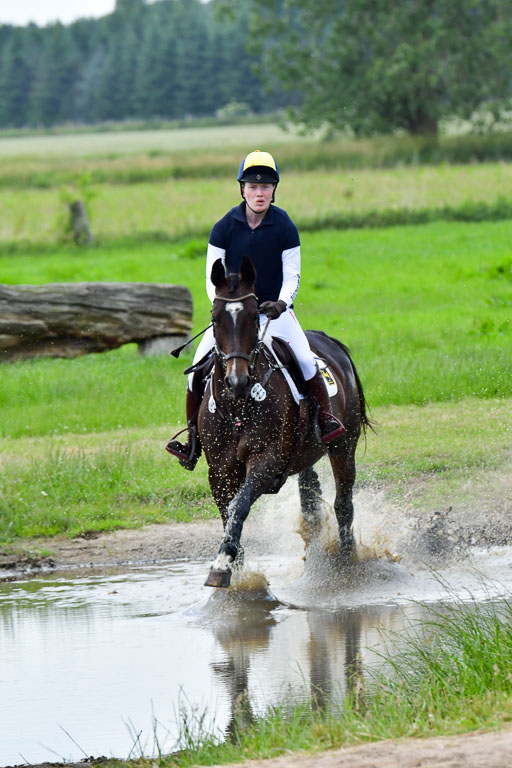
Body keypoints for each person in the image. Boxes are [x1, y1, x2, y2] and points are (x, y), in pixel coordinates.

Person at [166, 149, 344, 470]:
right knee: (195, 372)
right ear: (242, 189)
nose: (259, 193)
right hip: (234, 317)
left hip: (274, 314)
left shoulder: (284, 225)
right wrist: (224, 306)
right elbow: (211, 278)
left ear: (274, 190)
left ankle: (325, 422)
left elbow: (293, 275)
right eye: (252, 186)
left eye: (265, 187)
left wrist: (281, 303)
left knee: (305, 360)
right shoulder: (224, 227)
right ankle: (193, 440)